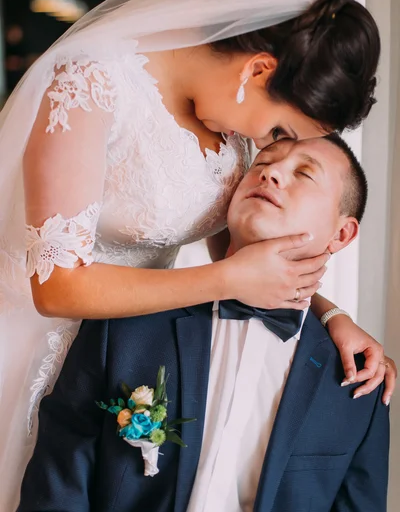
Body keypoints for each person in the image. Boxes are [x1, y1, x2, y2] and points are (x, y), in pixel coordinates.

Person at [0, 0, 395, 510]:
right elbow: (55, 287)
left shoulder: (235, 131)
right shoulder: (92, 85)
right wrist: (230, 283)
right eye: (282, 132)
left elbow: (232, 253)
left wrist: (327, 314)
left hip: (129, 351)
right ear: (258, 69)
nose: (270, 149)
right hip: (34, 341)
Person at [17, 134, 390, 512]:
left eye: (304, 173)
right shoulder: (126, 328)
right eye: (261, 163)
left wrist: (331, 313)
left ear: (342, 233)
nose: (271, 172)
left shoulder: (359, 383)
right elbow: (56, 487)